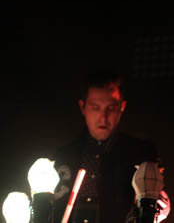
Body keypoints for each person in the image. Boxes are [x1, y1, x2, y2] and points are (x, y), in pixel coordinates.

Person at [48, 70, 162, 223]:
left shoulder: (141, 154)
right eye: (95, 107)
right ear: (83, 107)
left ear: (122, 107)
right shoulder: (62, 156)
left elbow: (157, 202)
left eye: (111, 107)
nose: (103, 117)